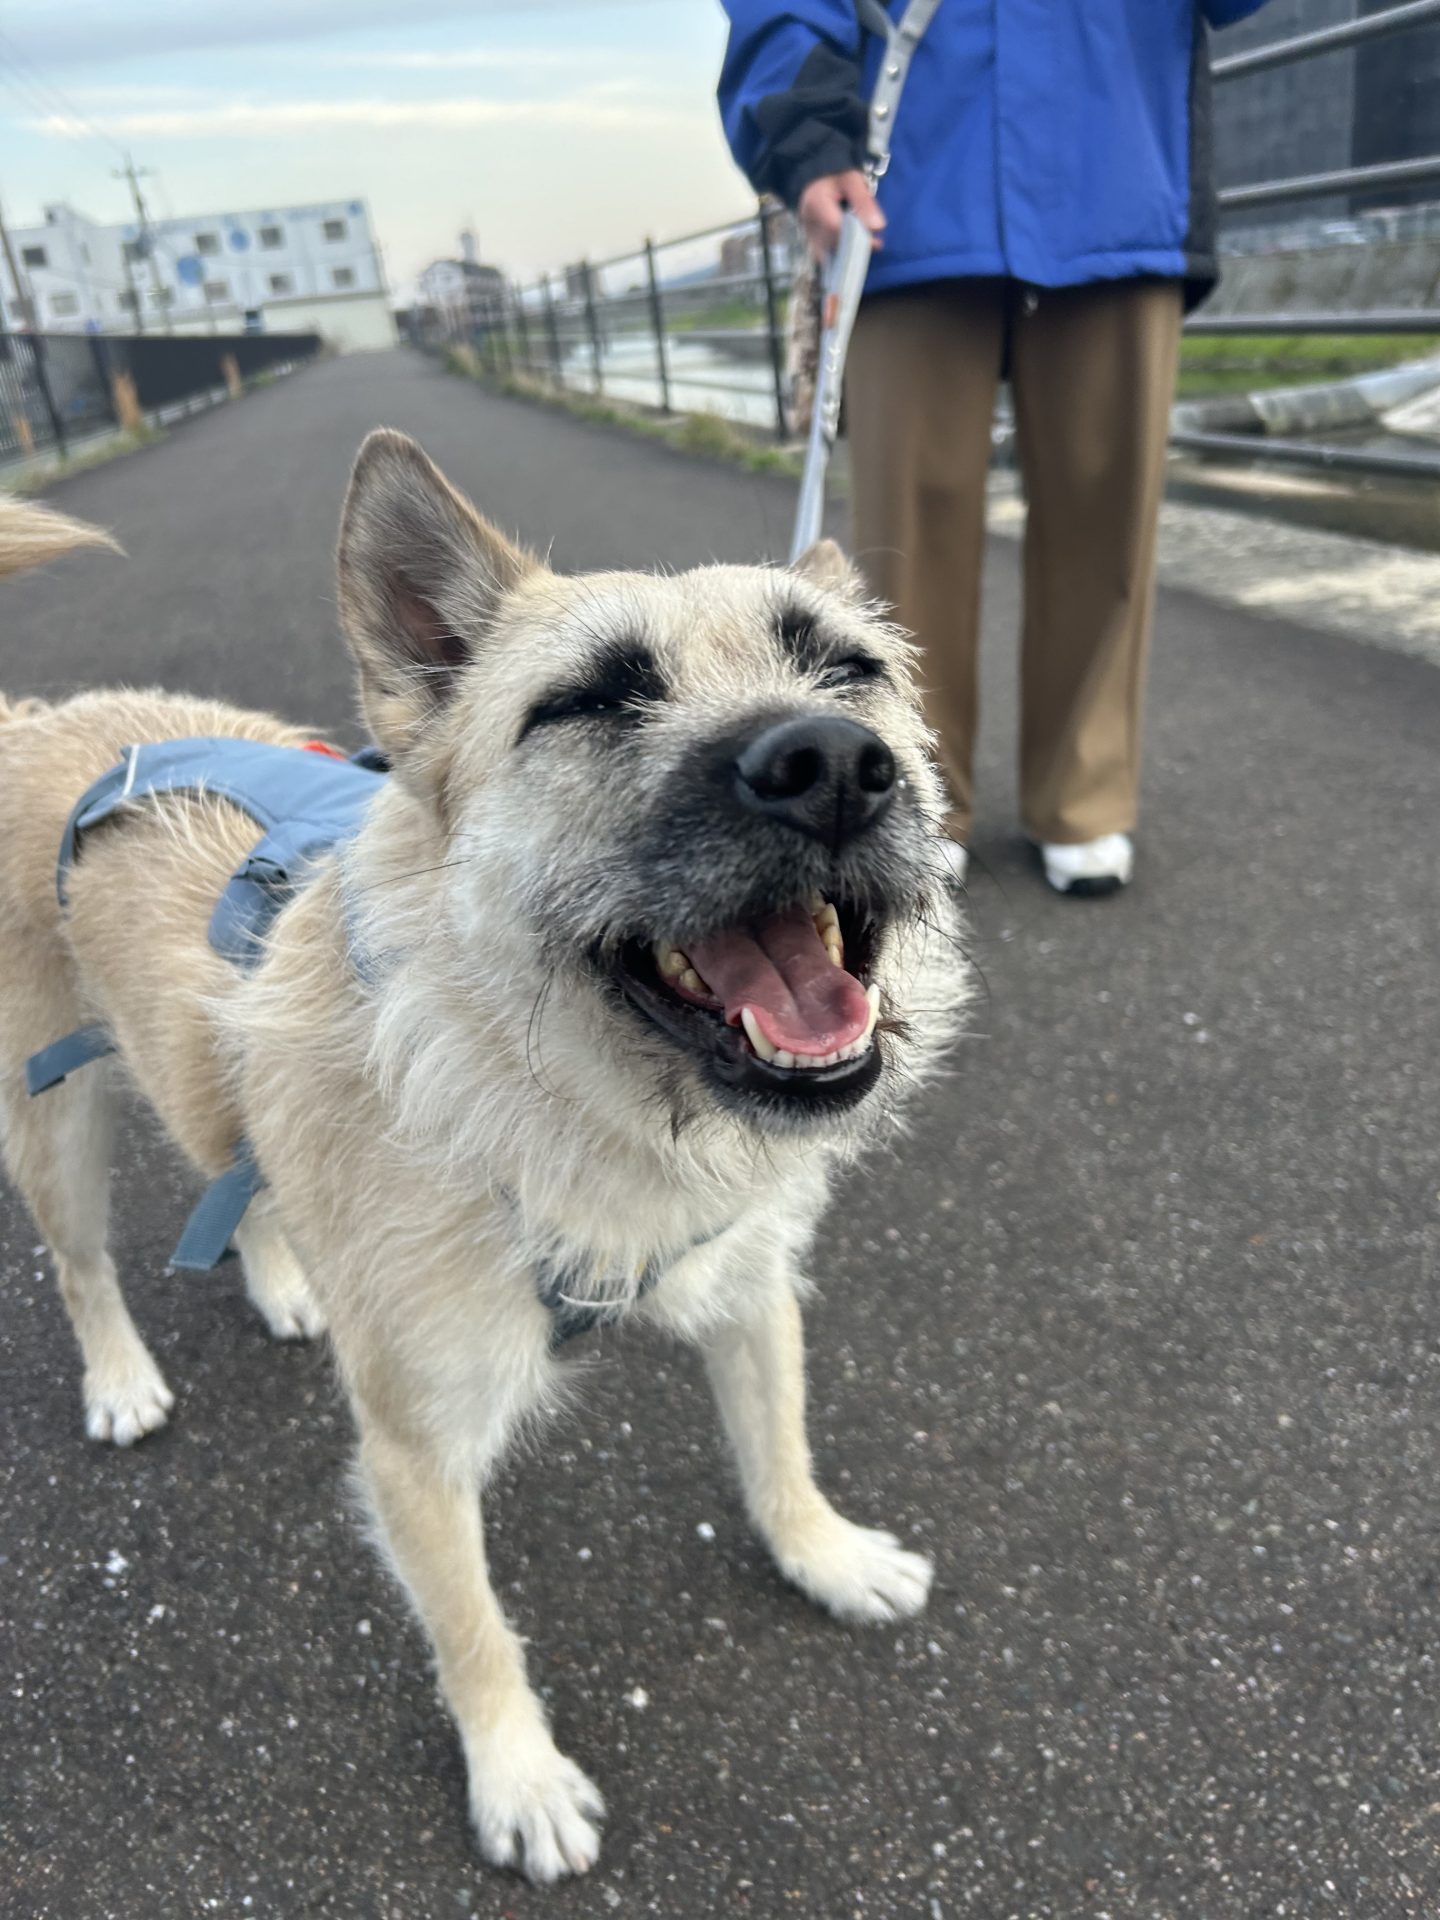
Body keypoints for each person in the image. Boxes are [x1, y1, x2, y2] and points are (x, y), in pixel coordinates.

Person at [718, 0, 1271, 895]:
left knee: (1108, 518)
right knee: (904, 540)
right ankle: (916, 790)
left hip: (1118, 163)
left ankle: (1086, 792)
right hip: (912, 181)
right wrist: (805, 140)